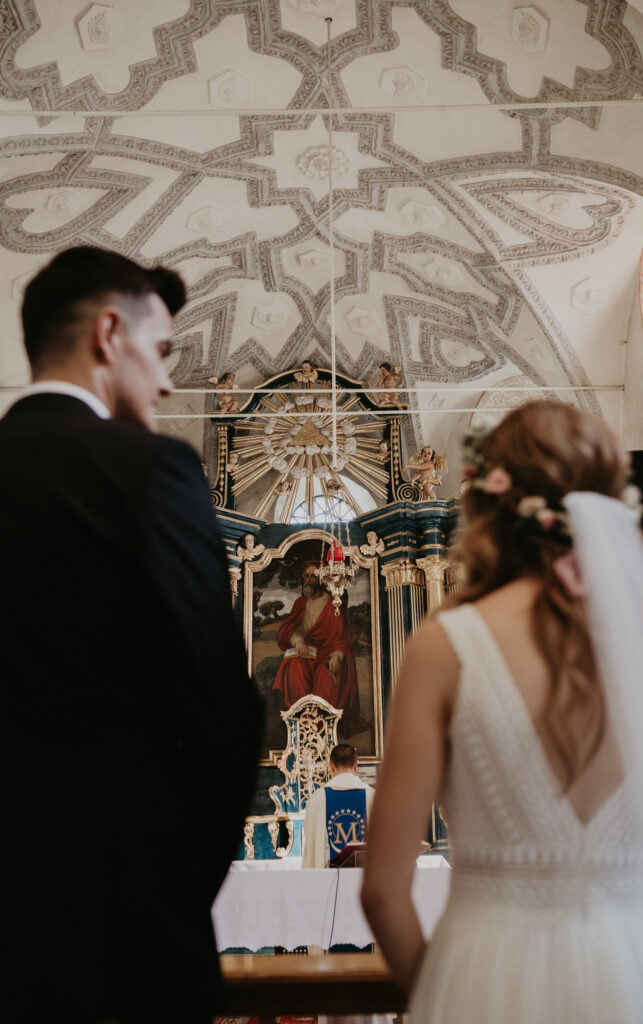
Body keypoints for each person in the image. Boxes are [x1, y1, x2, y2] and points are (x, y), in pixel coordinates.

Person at [0, 246, 262, 1024]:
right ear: (109, 334)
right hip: (115, 937)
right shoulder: (148, 470)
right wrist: (167, 889)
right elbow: (218, 710)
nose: (168, 381)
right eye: (163, 349)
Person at [362, 400, 643, 1023]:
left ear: (490, 504)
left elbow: (381, 892)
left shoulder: (444, 645)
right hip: (636, 972)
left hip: (483, 977)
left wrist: (440, 996)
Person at [272, 561, 367, 738]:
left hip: (327, 654)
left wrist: (337, 655)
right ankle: (301, 721)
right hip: (306, 652)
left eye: (313, 576)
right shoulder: (300, 603)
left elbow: (341, 636)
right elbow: (290, 629)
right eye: (306, 576)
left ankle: (320, 725)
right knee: (295, 668)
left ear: (322, 579)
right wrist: (297, 641)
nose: (308, 580)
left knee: (326, 676)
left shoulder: (332, 603)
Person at [302, 744, 374, 869]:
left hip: (328, 878)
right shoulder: (372, 796)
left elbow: (311, 843)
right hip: (364, 876)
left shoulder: (318, 798)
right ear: (356, 765)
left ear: (331, 766)